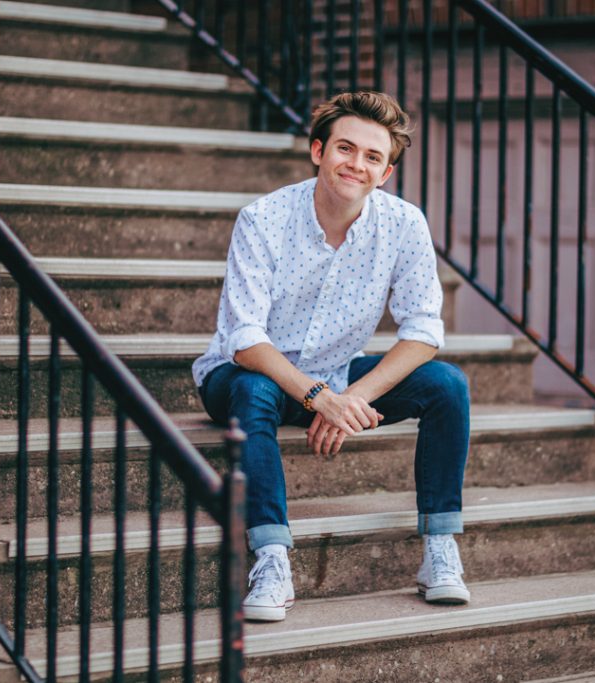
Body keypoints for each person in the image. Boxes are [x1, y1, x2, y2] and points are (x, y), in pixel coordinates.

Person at [192, 91, 471, 622]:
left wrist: (350, 398)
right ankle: (271, 558)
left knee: (447, 385)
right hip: (249, 374)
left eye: (372, 157)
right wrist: (319, 397)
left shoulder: (404, 224)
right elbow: (246, 340)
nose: (357, 165)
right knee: (253, 391)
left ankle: (439, 551)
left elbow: (423, 331)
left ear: (386, 172)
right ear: (318, 150)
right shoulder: (263, 218)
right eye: (346, 149)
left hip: (339, 373)